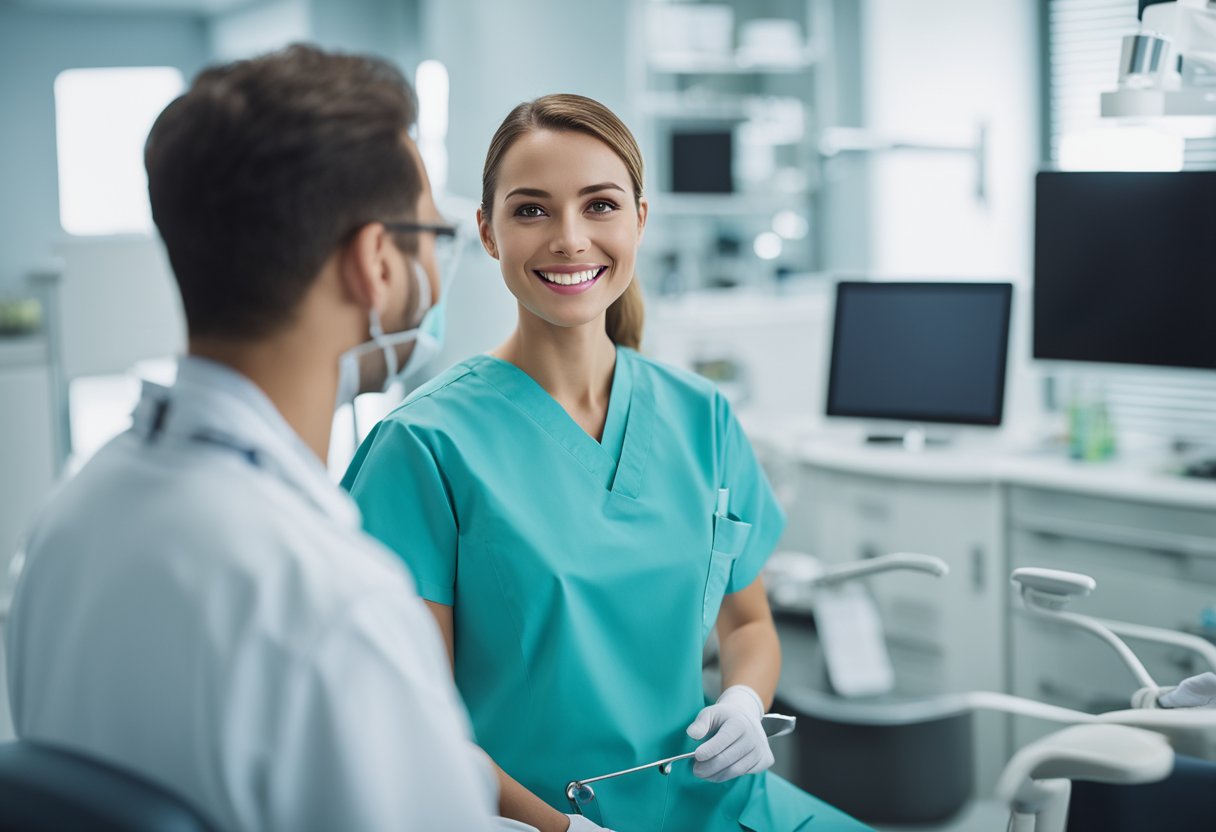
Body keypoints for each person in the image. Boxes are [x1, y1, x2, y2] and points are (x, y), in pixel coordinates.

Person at [5, 45, 512, 832]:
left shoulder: (71, 519)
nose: (438, 278)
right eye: (432, 238)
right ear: (376, 263)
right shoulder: (334, 603)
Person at [342, 94, 871, 831]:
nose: (569, 238)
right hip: (535, 819)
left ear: (638, 222)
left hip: (718, 805)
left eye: (599, 206)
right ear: (488, 234)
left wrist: (746, 701)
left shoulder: (702, 416)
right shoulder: (424, 447)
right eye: (531, 211)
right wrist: (559, 830)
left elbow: (748, 625)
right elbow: (411, 715)